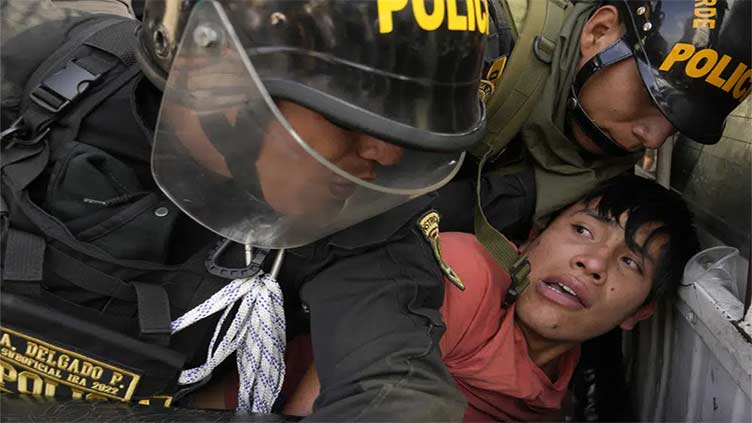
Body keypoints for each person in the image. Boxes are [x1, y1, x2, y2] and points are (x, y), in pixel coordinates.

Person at [0, 0, 491, 420]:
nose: (386, 157)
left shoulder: (357, 210)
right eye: (353, 114)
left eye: (407, 127)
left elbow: (393, 383)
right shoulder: (35, 79)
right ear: (215, 73)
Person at [276, 173, 699, 421]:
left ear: (639, 311)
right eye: (582, 231)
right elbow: (322, 407)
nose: (592, 263)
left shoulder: (561, 385)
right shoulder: (465, 274)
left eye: (629, 262)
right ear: (533, 237)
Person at [436, 0, 751, 240]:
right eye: (651, 98)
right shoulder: (472, 36)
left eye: (677, 126)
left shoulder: (603, 170)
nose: (653, 139)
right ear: (599, 33)